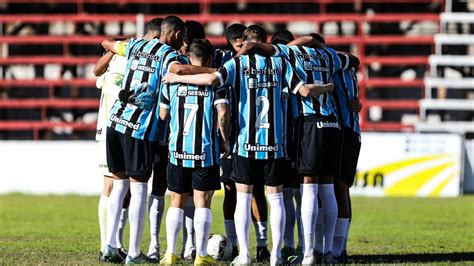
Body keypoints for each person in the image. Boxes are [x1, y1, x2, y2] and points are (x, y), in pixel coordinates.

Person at [162, 29, 334, 266]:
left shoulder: (237, 63)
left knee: (243, 198)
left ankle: (244, 255)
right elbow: (304, 91)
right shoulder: (281, 63)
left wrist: (177, 78)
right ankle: (275, 256)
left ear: (245, 43)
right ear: (264, 43)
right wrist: (327, 87)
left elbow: (212, 80)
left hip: (245, 144)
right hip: (274, 144)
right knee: (275, 199)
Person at [237, 31, 360, 264]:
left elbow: (263, 48)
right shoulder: (329, 56)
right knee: (328, 188)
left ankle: (308, 253)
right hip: (332, 124)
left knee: (308, 189)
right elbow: (354, 60)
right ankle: (329, 253)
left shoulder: (291, 53)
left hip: (309, 123)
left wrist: (247, 48)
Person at [101, 16, 188, 264]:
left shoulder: (136, 45)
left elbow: (107, 43)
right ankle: (134, 253)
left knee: (119, 186)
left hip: (115, 122)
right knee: (138, 188)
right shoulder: (171, 57)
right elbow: (181, 70)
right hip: (138, 129)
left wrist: (120, 44)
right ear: (177, 34)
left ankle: (110, 245)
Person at [159, 38, 231, 266]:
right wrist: (226, 141)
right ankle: (200, 255)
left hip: (177, 149)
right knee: (203, 201)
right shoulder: (216, 84)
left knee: (176, 201)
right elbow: (222, 114)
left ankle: (170, 253)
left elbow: (163, 115)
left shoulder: (170, 83)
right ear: (210, 59)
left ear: (189, 57)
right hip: (206, 151)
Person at [93, 49, 130, 262]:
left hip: (124, 131)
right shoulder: (117, 62)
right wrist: (111, 51)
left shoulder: (126, 60)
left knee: (125, 191)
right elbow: (98, 75)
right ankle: (105, 245)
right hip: (109, 132)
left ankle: (115, 243)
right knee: (110, 186)